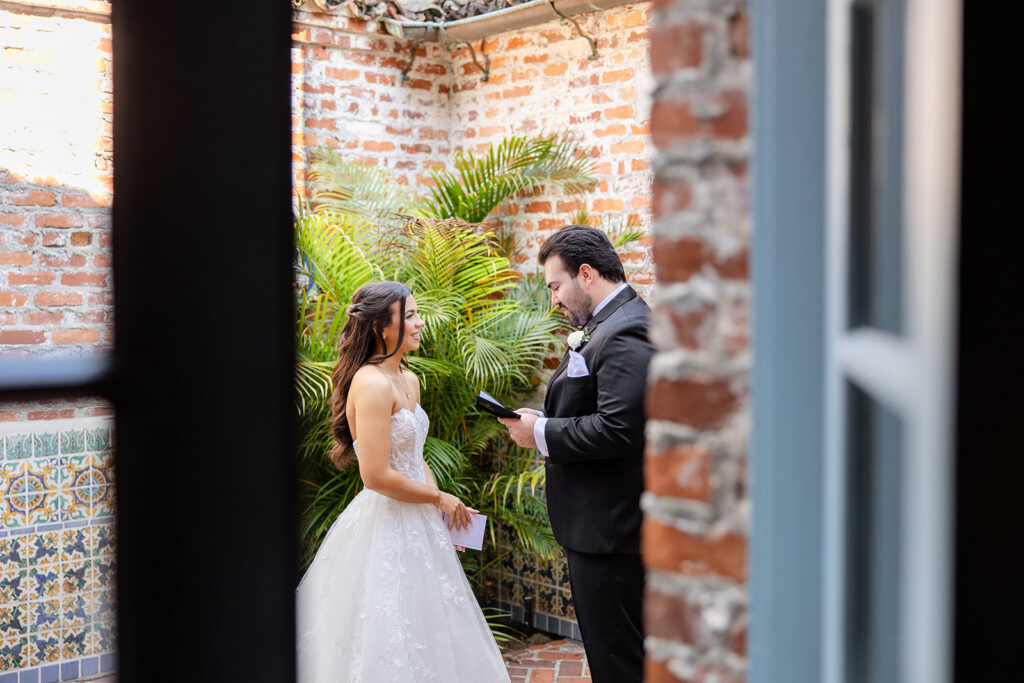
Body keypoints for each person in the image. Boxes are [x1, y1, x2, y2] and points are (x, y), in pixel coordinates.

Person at [296, 281, 510, 682]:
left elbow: (416, 457)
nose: (420, 323)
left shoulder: (409, 380)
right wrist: (438, 497)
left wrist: (444, 510)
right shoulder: (371, 382)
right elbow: (375, 475)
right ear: (382, 326)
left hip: (420, 518)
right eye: (410, 315)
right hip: (385, 522)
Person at [498, 225, 653, 682]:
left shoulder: (626, 330)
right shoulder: (606, 324)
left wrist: (541, 432)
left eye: (555, 285)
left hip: (610, 532)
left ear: (586, 274)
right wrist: (543, 415)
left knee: (619, 659)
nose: (554, 300)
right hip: (598, 528)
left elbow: (620, 428)